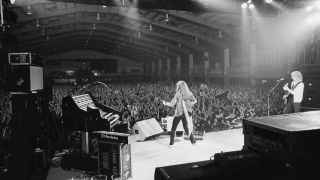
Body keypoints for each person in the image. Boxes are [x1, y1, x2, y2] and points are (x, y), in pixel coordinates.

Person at [162, 81, 197, 146]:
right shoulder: (189, 93)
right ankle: (193, 141)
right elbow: (195, 100)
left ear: (179, 86)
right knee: (186, 127)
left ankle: (171, 144)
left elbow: (172, 104)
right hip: (186, 113)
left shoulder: (177, 94)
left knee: (173, 128)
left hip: (179, 113)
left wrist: (165, 103)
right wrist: (190, 104)